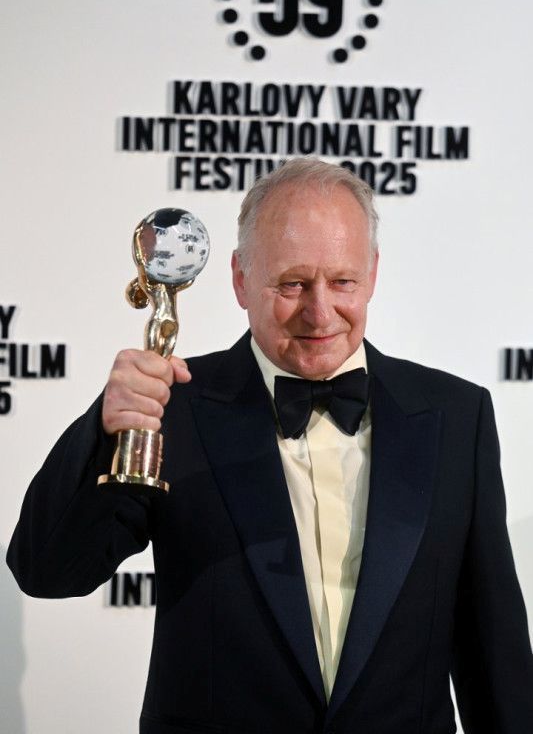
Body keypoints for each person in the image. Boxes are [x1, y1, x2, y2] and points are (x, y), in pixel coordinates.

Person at [7, 158, 533, 734]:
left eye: (343, 282)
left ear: (374, 273)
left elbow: (493, 652)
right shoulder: (172, 409)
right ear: (240, 279)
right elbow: (47, 571)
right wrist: (107, 427)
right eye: (292, 284)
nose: (320, 312)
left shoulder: (456, 416)